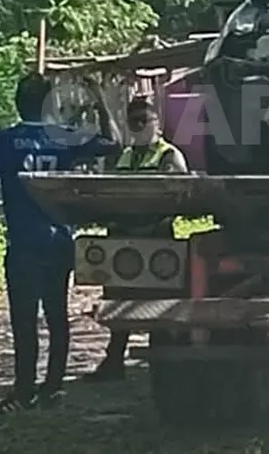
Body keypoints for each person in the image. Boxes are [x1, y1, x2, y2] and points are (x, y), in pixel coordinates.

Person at [0, 73, 120, 414]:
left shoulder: (5, 140)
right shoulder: (63, 139)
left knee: (24, 319)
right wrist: (99, 98)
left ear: (16, 101)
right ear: (47, 104)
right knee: (57, 315)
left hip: (24, 241)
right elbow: (113, 143)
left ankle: (24, 388)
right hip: (58, 239)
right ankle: (53, 387)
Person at [84, 96, 189, 382]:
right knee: (118, 301)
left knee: (159, 305)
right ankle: (114, 360)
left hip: (156, 238)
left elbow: (178, 199)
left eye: (145, 120)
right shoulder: (124, 156)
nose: (140, 126)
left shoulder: (170, 156)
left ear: (157, 123)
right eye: (134, 122)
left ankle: (163, 363)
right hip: (124, 238)